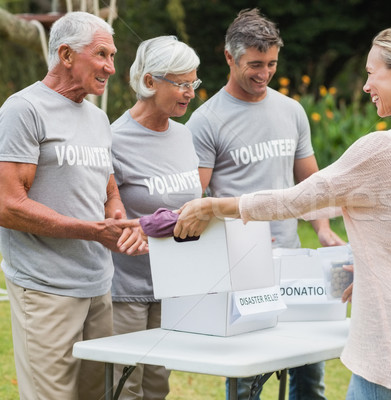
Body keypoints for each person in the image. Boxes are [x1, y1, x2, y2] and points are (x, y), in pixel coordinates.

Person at [176, 26, 391, 400]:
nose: (365, 85)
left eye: (370, 72)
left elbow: (296, 200)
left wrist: (214, 206)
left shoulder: (385, 148)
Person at [184, 8, 345, 400]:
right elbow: (197, 202)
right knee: (247, 376)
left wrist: (323, 229)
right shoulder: (205, 122)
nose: (265, 73)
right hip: (242, 268)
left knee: (309, 369)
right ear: (229, 57)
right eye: (255, 64)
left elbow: (312, 184)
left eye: (272, 63)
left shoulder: (291, 111)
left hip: (292, 260)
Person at [0, 11, 146, 400]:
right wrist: (90, 231)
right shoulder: (23, 110)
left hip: (99, 286)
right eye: (102, 55)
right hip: (46, 288)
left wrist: (114, 212)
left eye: (113, 56)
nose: (112, 67)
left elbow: (108, 185)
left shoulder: (98, 119)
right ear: (65, 55)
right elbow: (8, 205)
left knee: (97, 396)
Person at [110, 36, 204, 399]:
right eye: (181, 84)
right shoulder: (114, 139)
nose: (190, 92)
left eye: (193, 83)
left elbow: (193, 207)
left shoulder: (184, 136)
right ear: (150, 82)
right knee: (125, 387)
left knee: (157, 387)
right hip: (126, 290)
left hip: (173, 286)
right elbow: (109, 216)